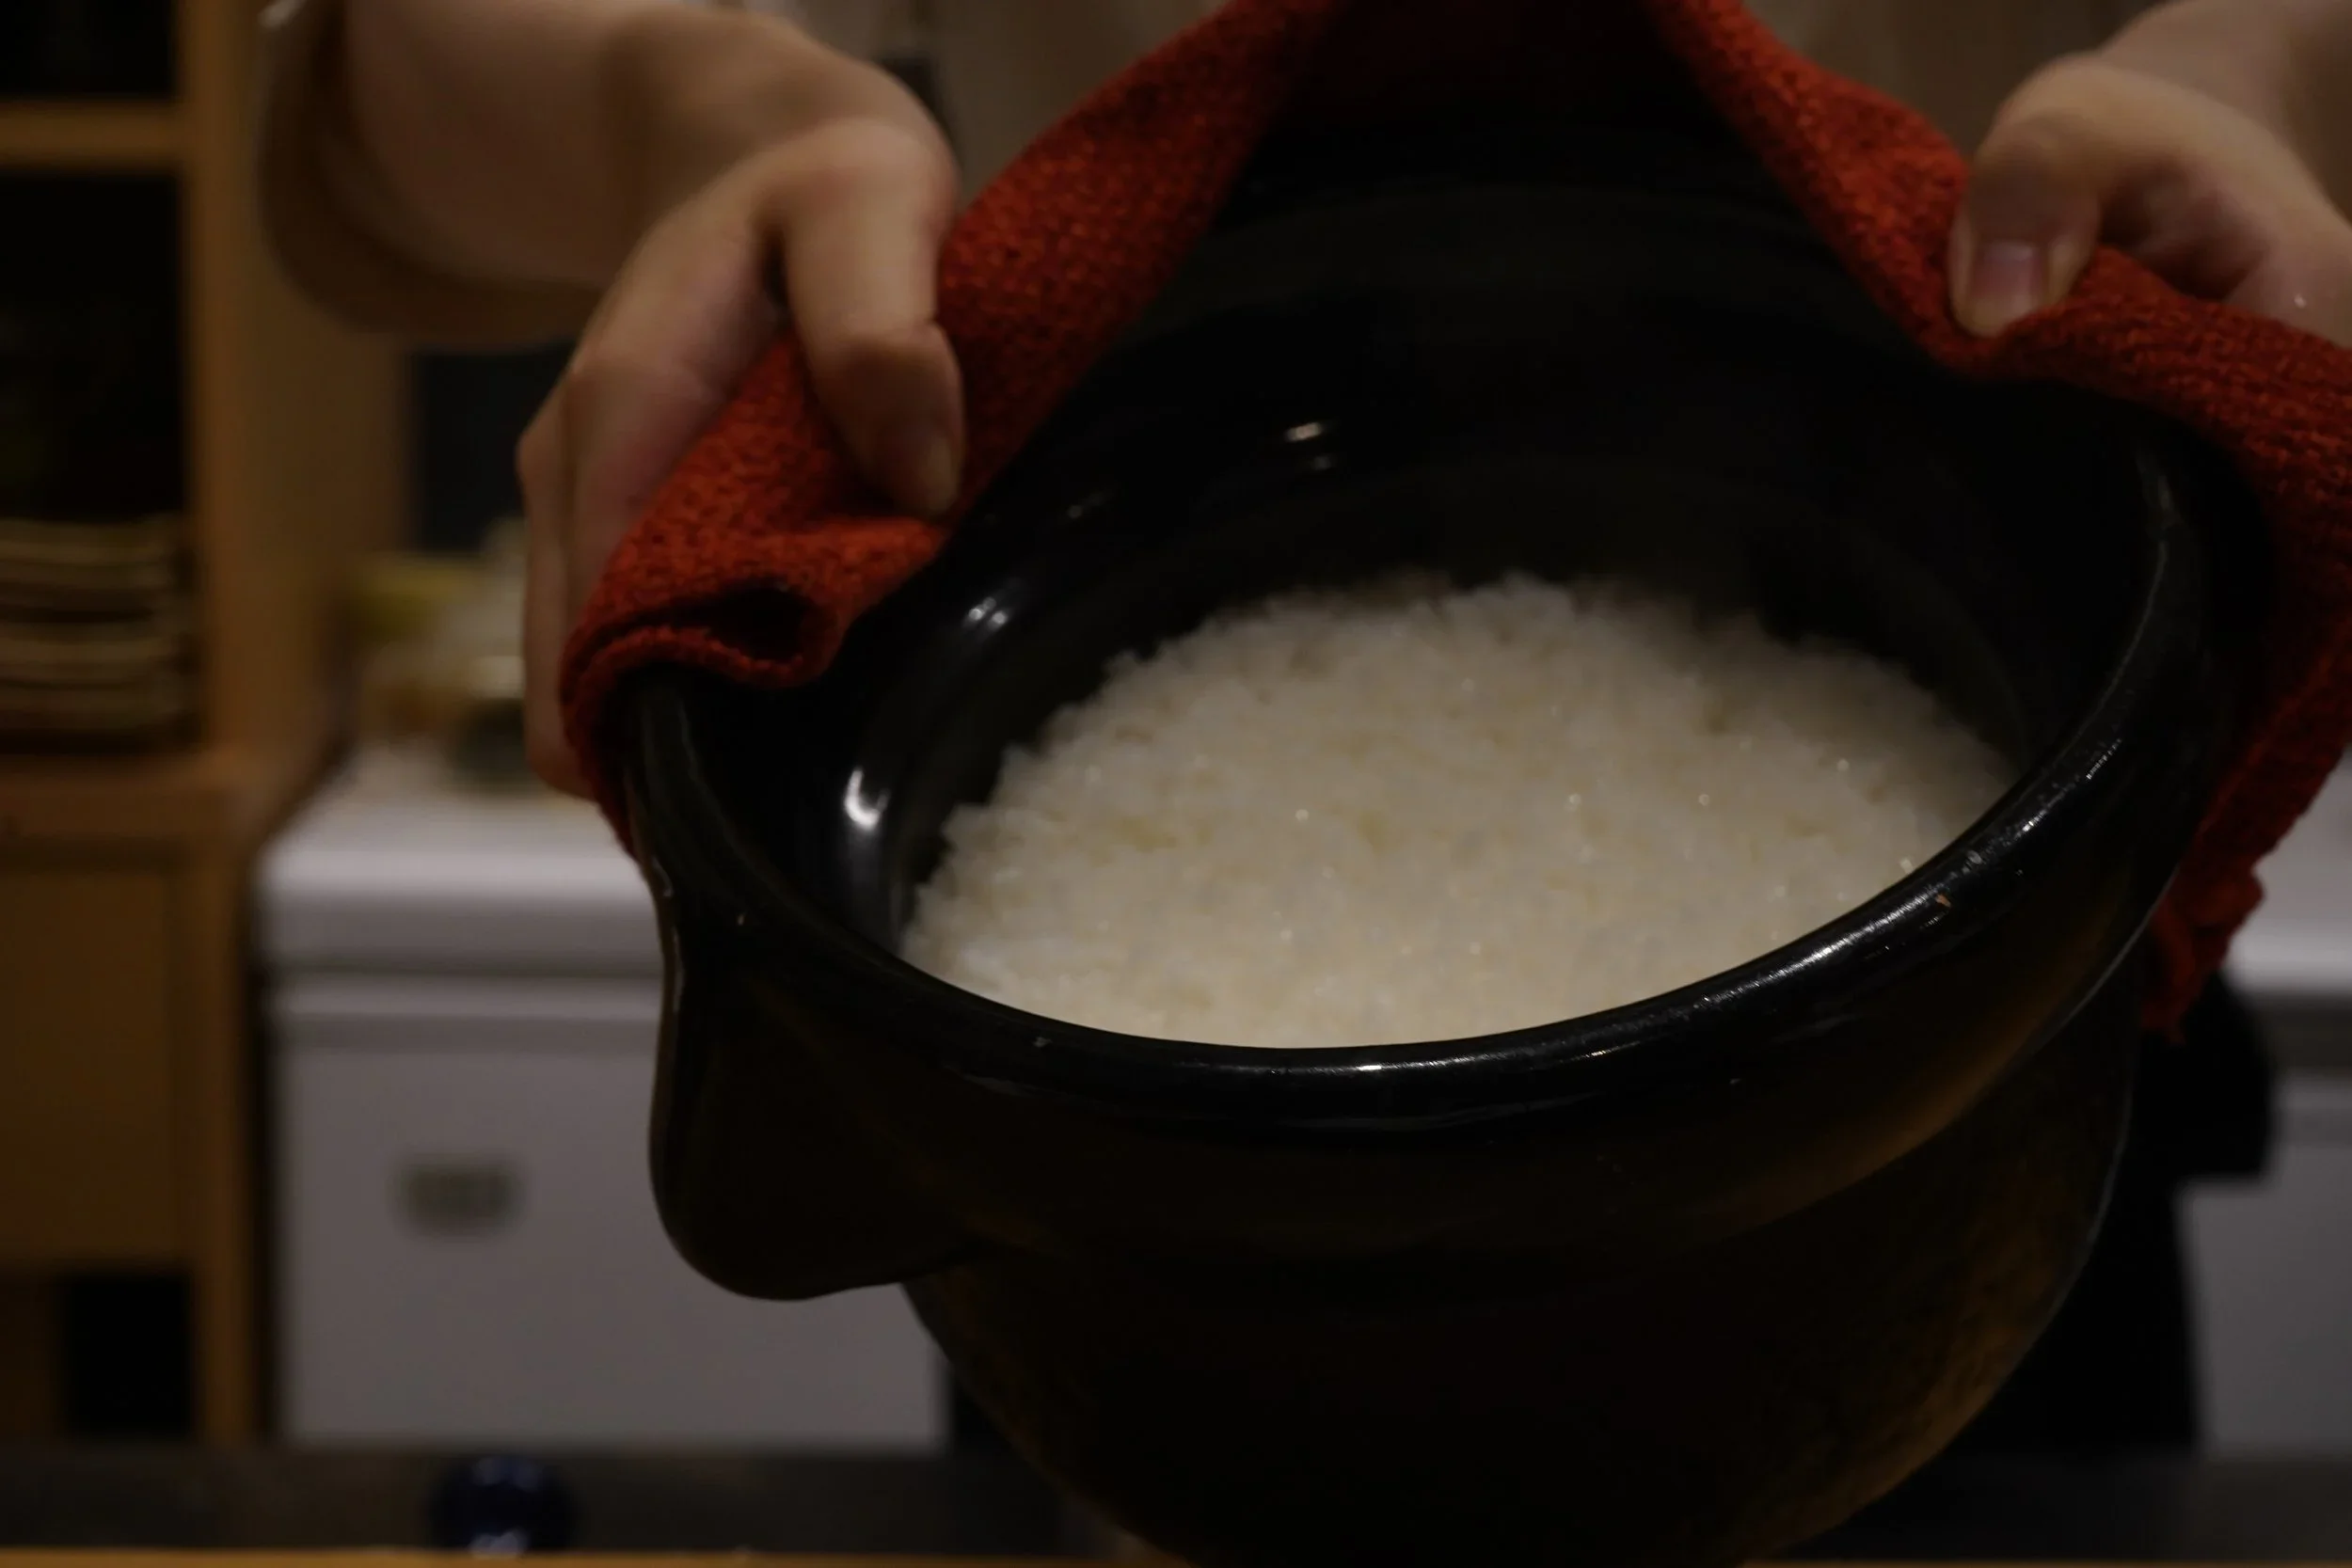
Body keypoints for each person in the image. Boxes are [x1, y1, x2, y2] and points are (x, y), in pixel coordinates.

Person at [260, 0, 2344, 1454]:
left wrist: (2260, 65)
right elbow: (360, 91)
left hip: (1983, 1034)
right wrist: (697, 108)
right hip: (1115, 1177)